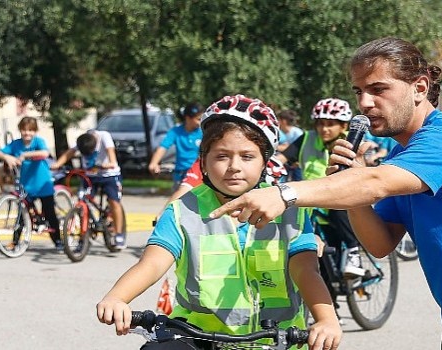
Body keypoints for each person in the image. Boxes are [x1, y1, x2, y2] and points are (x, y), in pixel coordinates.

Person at [210, 37, 442, 349]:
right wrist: (351, 187)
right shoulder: (403, 155)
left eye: (378, 89)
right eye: (358, 91)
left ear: (419, 87)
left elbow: (376, 183)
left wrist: (283, 193)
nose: (364, 103)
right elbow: (381, 243)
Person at [96, 94, 341, 350]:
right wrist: (117, 297)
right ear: (203, 160)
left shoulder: (291, 211)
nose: (234, 166)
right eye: (221, 156)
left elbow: (305, 270)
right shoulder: (182, 211)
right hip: (198, 338)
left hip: (278, 341)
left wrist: (327, 319)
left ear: (265, 162)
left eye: (247, 157)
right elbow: (152, 263)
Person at [276, 98, 365, 277]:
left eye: (331, 124)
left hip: (338, 201)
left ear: (343, 126)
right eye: (321, 124)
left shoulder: (352, 142)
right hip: (310, 203)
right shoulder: (307, 139)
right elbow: (281, 160)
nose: (324, 129)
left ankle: (354, 253)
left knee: (340, 209)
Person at [0, 117, 62, 251]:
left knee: (50, 214)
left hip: (42, 184)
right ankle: (15, 241)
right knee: (21, 214)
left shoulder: (38, 142)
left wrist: (25, 155)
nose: (27, 133)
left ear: (35, 131)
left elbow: (44, 152)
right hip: (26, 185)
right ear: (20, 130)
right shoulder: (16, 144)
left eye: (31, 130)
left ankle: (58, 241)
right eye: (24, 130)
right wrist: (7, 157)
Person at [52, 129, 126, 249]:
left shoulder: (104, 136)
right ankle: (83, 237)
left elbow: (111, 155)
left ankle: (119, 235)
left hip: (109, 175)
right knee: (82, 200)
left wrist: (109, 163)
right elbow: (70, 152)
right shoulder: (85, 140)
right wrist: (57, 164)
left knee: (114, 202)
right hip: (90, 176)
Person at [148, 102, 203, 190]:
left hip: (198, 173)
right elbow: (163, 146)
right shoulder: (176, 132)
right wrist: (154, 162)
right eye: (198, 119)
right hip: (180, 174)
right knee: (178, 201)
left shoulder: (202, 132)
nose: (200, 122)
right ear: (188, 118)